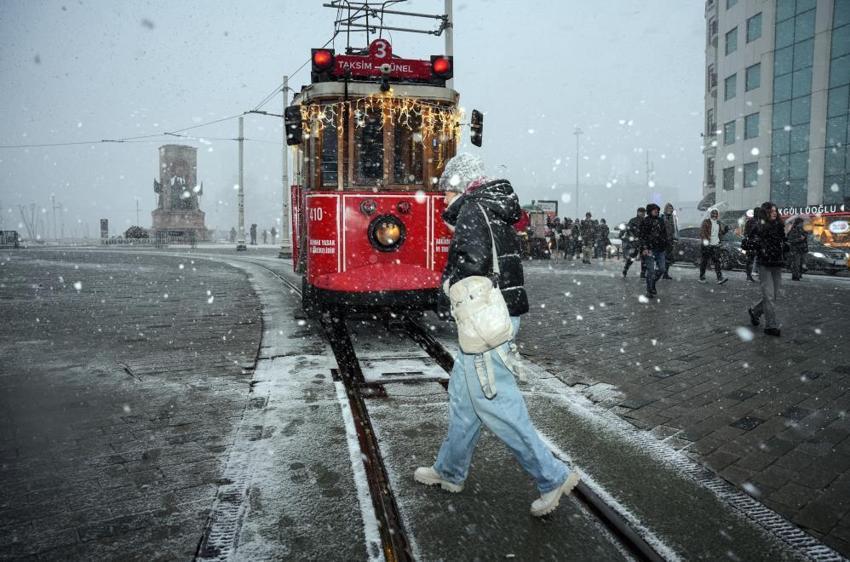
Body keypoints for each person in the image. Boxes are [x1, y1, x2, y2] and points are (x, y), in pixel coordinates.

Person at [415, 153, 580, 517]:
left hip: (486, 321)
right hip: (500, 312)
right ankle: (450, 471)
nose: (443, 198)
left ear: (460, 186)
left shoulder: (473, 210)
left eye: (445, 190)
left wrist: (446, 284)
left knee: (496, 403)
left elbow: (472, 264)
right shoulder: (492, 206)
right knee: (464, 397)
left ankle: (551, 477)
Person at [747, 202, 786, 336]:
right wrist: (758, 245)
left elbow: (784, 242)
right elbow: (747, 243)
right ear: (766, 212)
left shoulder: (780, 226)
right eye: (772, 211)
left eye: (776, 210)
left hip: (777, 263)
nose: (775, 213)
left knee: (773, 296)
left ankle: (755, 311)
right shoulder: (759, 227)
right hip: (764, 264)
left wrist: (786, 246)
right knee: (769, 296)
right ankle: (771, 326)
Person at [639, 203, 667, 299]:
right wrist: (644, 248)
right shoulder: (645, 221)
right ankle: (649, 289)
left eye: (657, 210)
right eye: (654, 210)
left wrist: (665, 244)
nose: (656, 211)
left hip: (660, 249)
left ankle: (653, 283)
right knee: (650, 270)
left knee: (662, 269)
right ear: (650, 211)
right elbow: (642, 236)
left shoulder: (660, 221)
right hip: (649, 249)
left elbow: (664, 234)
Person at [699, 209, 729, 285]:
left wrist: (725, 230)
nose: (715, 215)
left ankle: (719, 278)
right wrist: (706, 243)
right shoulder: (706, 222)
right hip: (707, 245)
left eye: (716, 214)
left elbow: (720, 233)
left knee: (717, 262)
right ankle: (702, 277)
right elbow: (702, 233)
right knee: (704, 262)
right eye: (713, 214)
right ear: (711, 214)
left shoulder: (718, 223)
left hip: (716, 245)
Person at [622, 207, 647, 278]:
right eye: (641, 212)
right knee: (632, 256)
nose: (642, 214)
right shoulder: (633, 220)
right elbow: (629, 230)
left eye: (643, 212)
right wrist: (633, 237)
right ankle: (625, 269)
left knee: (644, 258)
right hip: (635, 242)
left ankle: (643, 273)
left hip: (643, 242)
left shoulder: (646, 221)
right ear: (638, 212)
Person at [661, 203, 678, 279]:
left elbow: (675, 228)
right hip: (662, 240)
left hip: (670, 240)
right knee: (661, 257)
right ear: (665, 209)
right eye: (668, 208)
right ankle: (659, 272)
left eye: (671, 208)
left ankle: (665, 273)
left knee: (668, 258)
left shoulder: (673, 218)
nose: (670, 210)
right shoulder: (661, 217)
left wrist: (675, 237)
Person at [742, 208, 759, 282]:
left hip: (756, 243)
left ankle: (751, 275)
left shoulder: (758, 221)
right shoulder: (751, 222)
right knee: (750, 260)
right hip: (752, 243)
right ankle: (748, 276)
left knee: (755, 260)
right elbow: (746, 233)